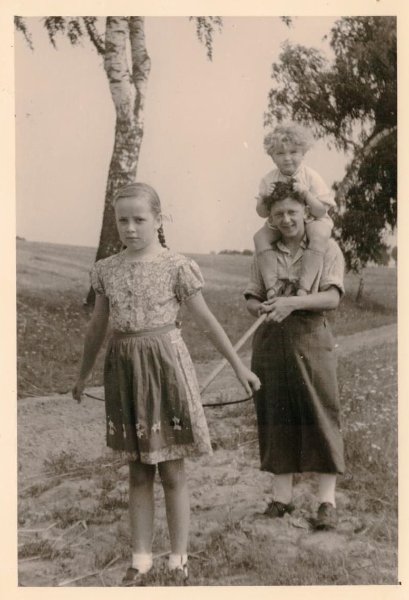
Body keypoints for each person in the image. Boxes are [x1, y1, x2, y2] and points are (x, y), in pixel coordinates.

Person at [72, 182, 260, 586]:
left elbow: (206, 321)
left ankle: (179, 560)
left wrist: (238, 367)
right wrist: (83, 374)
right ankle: (140, 560)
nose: (130, 228)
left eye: (139, 219)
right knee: (139, 470)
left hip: (165, 370)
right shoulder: (106, 269)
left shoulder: (177, 266)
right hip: (125, 372)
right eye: (122, 220)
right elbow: (97, 326)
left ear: (158, 220)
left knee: (172, 469)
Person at [244, 181, 345, 530]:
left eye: (292, 212)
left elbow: (332, 298)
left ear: (305, 212)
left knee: (320, 413)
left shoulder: (327, 248)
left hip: (311, 338)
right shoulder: (264, 253)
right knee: (275, 414)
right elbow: (252, 297)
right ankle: (281, 498)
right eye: (279, 214)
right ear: (270, 219)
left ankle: (326, 502)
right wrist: (261, 308)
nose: (286, 220)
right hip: (270, 341)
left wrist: (291, 303)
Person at [253, 122, 335, 299]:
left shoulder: (311, 176)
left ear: (303, 153)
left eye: (293, 152)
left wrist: (306, 194)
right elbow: (262, 213)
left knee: (319, 235)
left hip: (312, 219)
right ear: (272, 157)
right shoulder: (268, 179)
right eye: (280, 153)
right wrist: (264, 198)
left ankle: (304, 286)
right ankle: (271, 286)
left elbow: (321, 212)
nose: (287, 158)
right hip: (283, 221)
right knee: (259, 237)